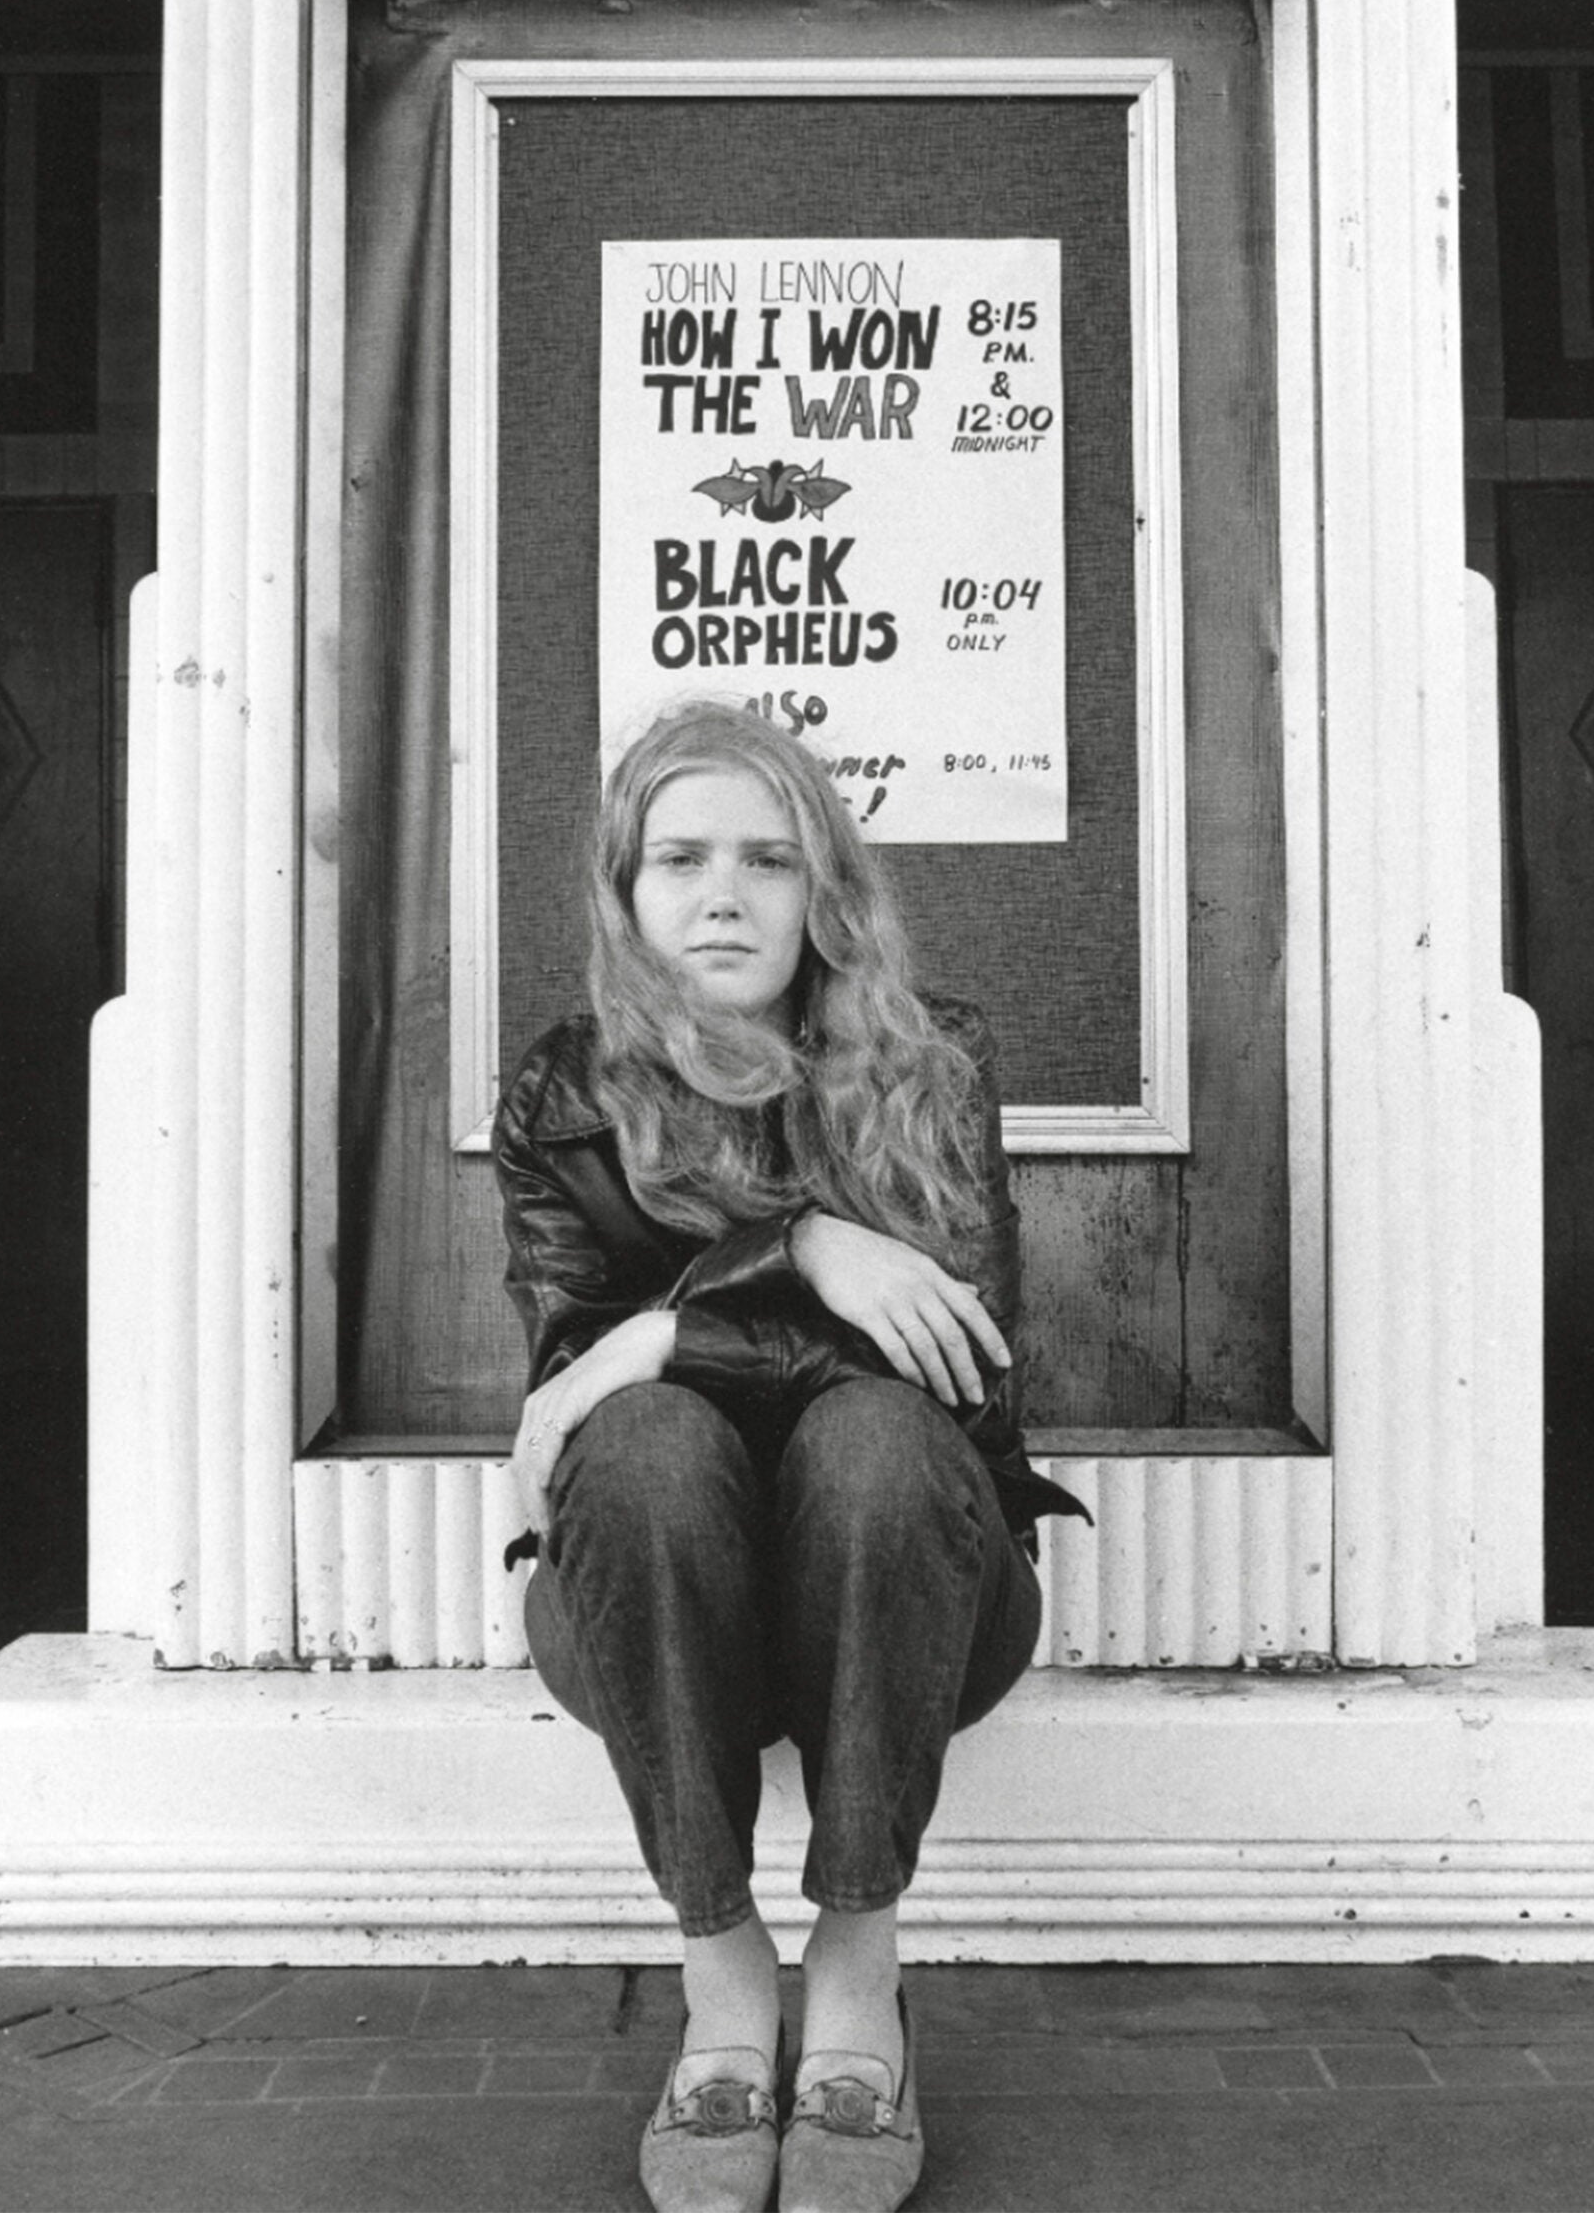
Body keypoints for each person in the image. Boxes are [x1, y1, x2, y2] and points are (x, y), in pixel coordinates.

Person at [492, 697, 1087, 2213]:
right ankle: (722, 1980)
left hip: (918, 1584)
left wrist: (692, 1309)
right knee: (643, 1450)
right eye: (679, 857)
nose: (722, 895)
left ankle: (858, 1967)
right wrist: (789, 1267)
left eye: (767, 857)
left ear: (824, 886)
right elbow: (578, 1410)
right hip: (648, 1592)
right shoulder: (564, 1097)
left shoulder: (932, 1067)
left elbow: (962, 1381)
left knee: (880, 1435)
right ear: (625, 891)